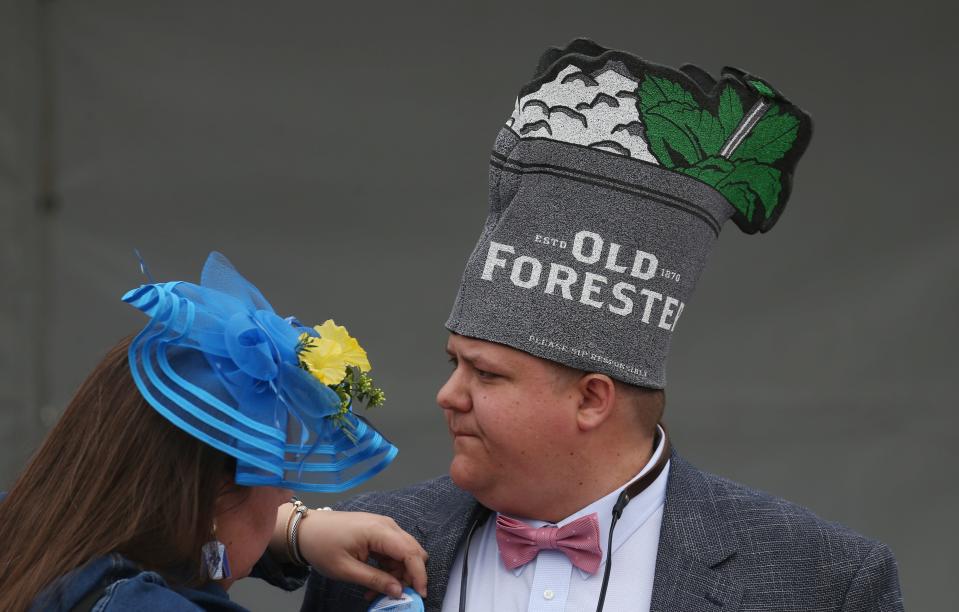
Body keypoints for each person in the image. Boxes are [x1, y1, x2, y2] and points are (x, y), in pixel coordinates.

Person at [301, 39, 905, 611]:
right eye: (453, 363)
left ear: (593, 399)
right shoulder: (363, 550)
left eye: (486, 374)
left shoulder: (821, 581)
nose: (447, 395)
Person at [0, 252, 428, 611]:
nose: (286, 498)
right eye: (274, 471)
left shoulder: (31, 535)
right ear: (217, 492)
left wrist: (293, 532)